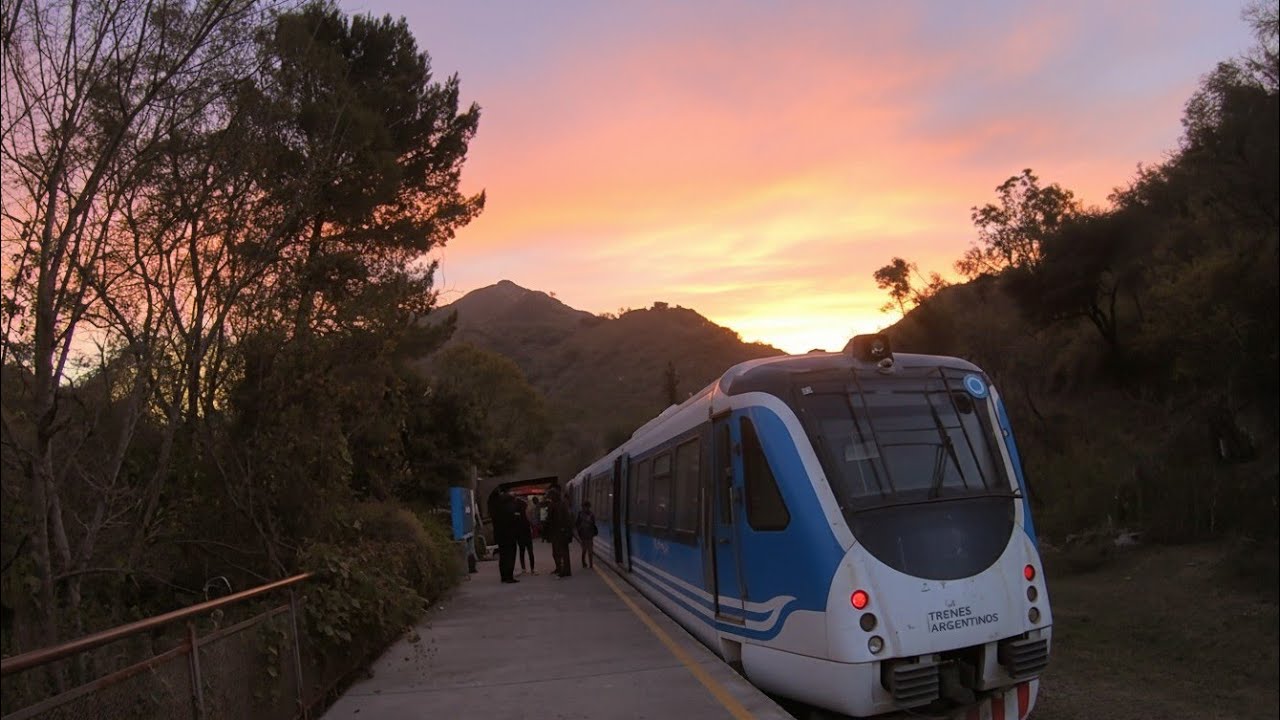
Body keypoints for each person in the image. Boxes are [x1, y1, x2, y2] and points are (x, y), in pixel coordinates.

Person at [490, 488, 519, 584]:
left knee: (503, 556)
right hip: (510, 534)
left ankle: (503, 576)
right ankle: (509, 576)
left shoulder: (496, 507)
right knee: (510, 555)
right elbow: (514, 520)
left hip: (500, 535)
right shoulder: (510, 507)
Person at [545, 486, 573, 577]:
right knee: (559, 552)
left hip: (560, 532)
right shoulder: (558, 504)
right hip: (558, 532)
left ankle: (564, 570)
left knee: (561, 552)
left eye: (551, 496)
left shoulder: (559, 505)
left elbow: (552, 519)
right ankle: (561, 568)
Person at [514, 495, 536, 575]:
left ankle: (523, 569)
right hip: (527, 532)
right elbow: (531, 520)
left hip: (520, 533)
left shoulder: (516, 511)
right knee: (530, 551)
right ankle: (532, 569)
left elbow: (515, 523)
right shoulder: (527, 509)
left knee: (522, 551)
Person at [575, 501, 598, 569]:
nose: (585, 508)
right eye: (584, 507)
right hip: (583, 535)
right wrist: (579, 529)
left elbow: (593, 524)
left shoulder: (591, 515)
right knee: (584, 550)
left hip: (589, 535)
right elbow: (577, 523)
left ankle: (591, 564)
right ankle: (584, 562)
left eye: (587, 507)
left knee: (590, 550)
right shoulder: (580, 514)